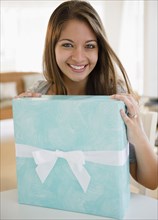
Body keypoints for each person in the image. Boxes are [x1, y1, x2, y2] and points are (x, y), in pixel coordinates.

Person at [18, 0, 157, 190]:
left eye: (90, 46)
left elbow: (151, 181)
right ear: (52, 48)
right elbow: (30, 165)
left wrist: (138, 133)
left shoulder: (114, 96)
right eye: (67, 45)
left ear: (100, 49)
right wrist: (25, 120)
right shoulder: (39, 94)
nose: (79, 57)